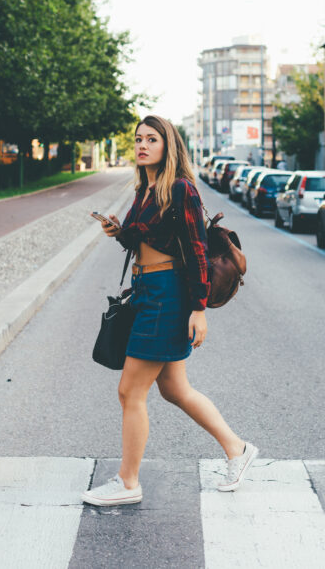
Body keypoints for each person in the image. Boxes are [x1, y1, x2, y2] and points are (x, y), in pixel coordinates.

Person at [83, 115, 258, 506]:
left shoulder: (181, 189)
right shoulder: (145, 190)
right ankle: (237, 448)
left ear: (168, 145)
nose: (142, 145)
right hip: (146, 289)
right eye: (138, 139)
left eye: (152, 139)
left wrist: (199, 308)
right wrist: (117, 231)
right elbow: (139, 240)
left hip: (168, 296)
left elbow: (197, 249)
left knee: (130, 391)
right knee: (175, 389)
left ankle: (128, 482)